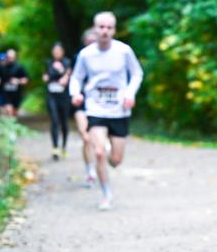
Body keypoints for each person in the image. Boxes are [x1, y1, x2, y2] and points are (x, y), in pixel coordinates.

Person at [69, 12, 144, 211]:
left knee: (116, 161)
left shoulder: (124, 51)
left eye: (109, 28)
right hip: (95, 108)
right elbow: (76, 78)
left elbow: (137, 73)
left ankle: (112, 154)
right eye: (101, 27)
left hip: (119, 111)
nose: (104, 31)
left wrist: (130, 93)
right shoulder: (86, 54)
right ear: (95, 29)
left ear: (114, 30)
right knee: (99, 152)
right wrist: (75, 93)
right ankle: (106, 194)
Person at [73, 28, 98, 186]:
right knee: (85, 136)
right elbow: (74, 77)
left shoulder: (105, 58)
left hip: (99, 103)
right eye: (88, 42)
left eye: (93, 42)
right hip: (81, 101)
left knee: (97, 138)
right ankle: (90, 171)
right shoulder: (79, 58)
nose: (90, 45)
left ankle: (100, 159)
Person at [43, 43, 72, 160]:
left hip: (64, 97)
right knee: (54, 121)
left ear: (62, 52)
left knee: (64, 122)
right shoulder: (48, 63)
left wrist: (62, 72)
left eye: (58, 51)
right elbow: (46, 77)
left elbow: (68, 78)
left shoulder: (67, 63)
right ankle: (55, 148)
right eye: (54, 51)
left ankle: (64, 147)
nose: (56, 53)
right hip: (51, 96)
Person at [0, 49, 29, 119]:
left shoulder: (19, 67)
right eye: (8, 57)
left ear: (15, 57)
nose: (10, 59)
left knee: (14, 113)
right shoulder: (2, 67)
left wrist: (18, 81)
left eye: (11, 57)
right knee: (9, 111)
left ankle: (12, 126)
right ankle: (9, 126)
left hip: (17, 94)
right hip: (5, 93)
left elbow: (26, 80)